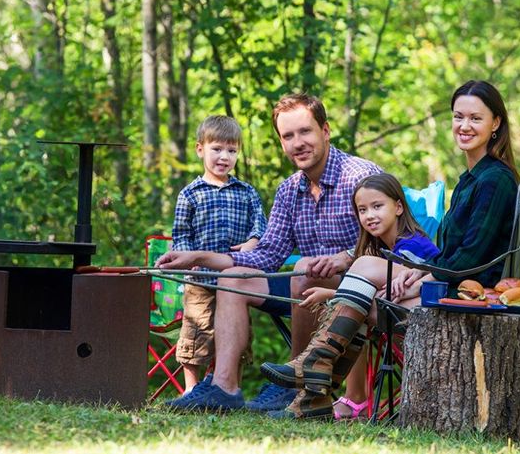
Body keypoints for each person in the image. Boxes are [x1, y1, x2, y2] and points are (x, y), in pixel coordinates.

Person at [261, 79, 520, 419]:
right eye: (458, 117)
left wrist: (423, 273)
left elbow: (471, 259)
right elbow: (452, 254)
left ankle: (314, 371)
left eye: (475, 118)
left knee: (367, 267)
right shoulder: (470, 179)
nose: (464, 126)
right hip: (452, 282)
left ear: (495, 123)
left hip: (472, 293)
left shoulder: (495, 180)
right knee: (363, 294)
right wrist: (419, 271)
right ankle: (314, 391)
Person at [157, 93, 382, 412]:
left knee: (304, 268)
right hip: (303, 289)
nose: (297, 143)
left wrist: (346, 257)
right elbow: (264, 257)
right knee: (233, 279)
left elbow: (393, 241)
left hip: (357, 291)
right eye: (288, 136)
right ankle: (224, 388)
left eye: (305, 131)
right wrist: (197, 257)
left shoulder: (359, 175)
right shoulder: (290, 189)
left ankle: (297, 382)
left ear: (326, 131)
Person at [270, 172, 440, 420]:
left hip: (424, 316)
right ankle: (320, 393)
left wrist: (331, 294)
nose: (369, 215)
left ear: (399, 207)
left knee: (352, 312)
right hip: (395, 315)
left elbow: (388, 297)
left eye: (377, 206)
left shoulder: (412, 247)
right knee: (351, 313)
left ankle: (321, 384)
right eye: (362, 210)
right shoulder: (385, 248)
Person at [172, 115, 267, 393]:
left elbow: (260, 226)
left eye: (232, 150)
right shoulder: (190, 194)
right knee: (196, 334)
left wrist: (253, 241)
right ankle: (192, 390)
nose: (224, 157)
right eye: (217, 149)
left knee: (238, 336)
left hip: (236, 280)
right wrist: (188, 262)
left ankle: (229, 388)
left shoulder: (246, 192)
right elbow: (181, 235)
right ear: (200, 149)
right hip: (201, 280)